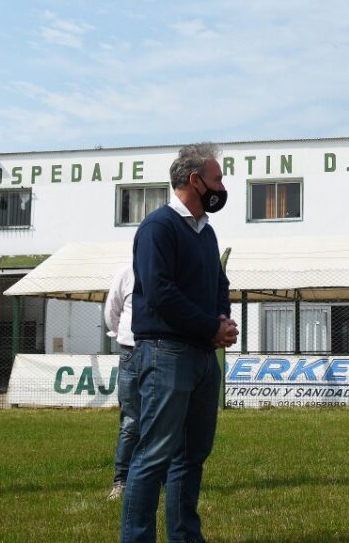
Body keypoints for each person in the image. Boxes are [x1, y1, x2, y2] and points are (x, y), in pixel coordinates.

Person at [121, 143, 238, 543]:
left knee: (191, 458)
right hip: (167, 354)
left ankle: (185, 536)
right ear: (195, 180)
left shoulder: (205, 232)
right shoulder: (159, 227)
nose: (222, 186)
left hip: (203, 357)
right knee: (154, 456)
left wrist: (221, 321)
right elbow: (160, 293)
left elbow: (219, 283)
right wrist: (210, 327)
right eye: (217, 178)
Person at [104, 263, 137, 501]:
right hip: (131, 351)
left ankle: (166, 479)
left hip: (163, 352)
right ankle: (121, 482)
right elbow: (111, 312)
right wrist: (124, 336)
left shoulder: (172, 268)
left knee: (165, 420)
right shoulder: (126, 273)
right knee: (131, 421)